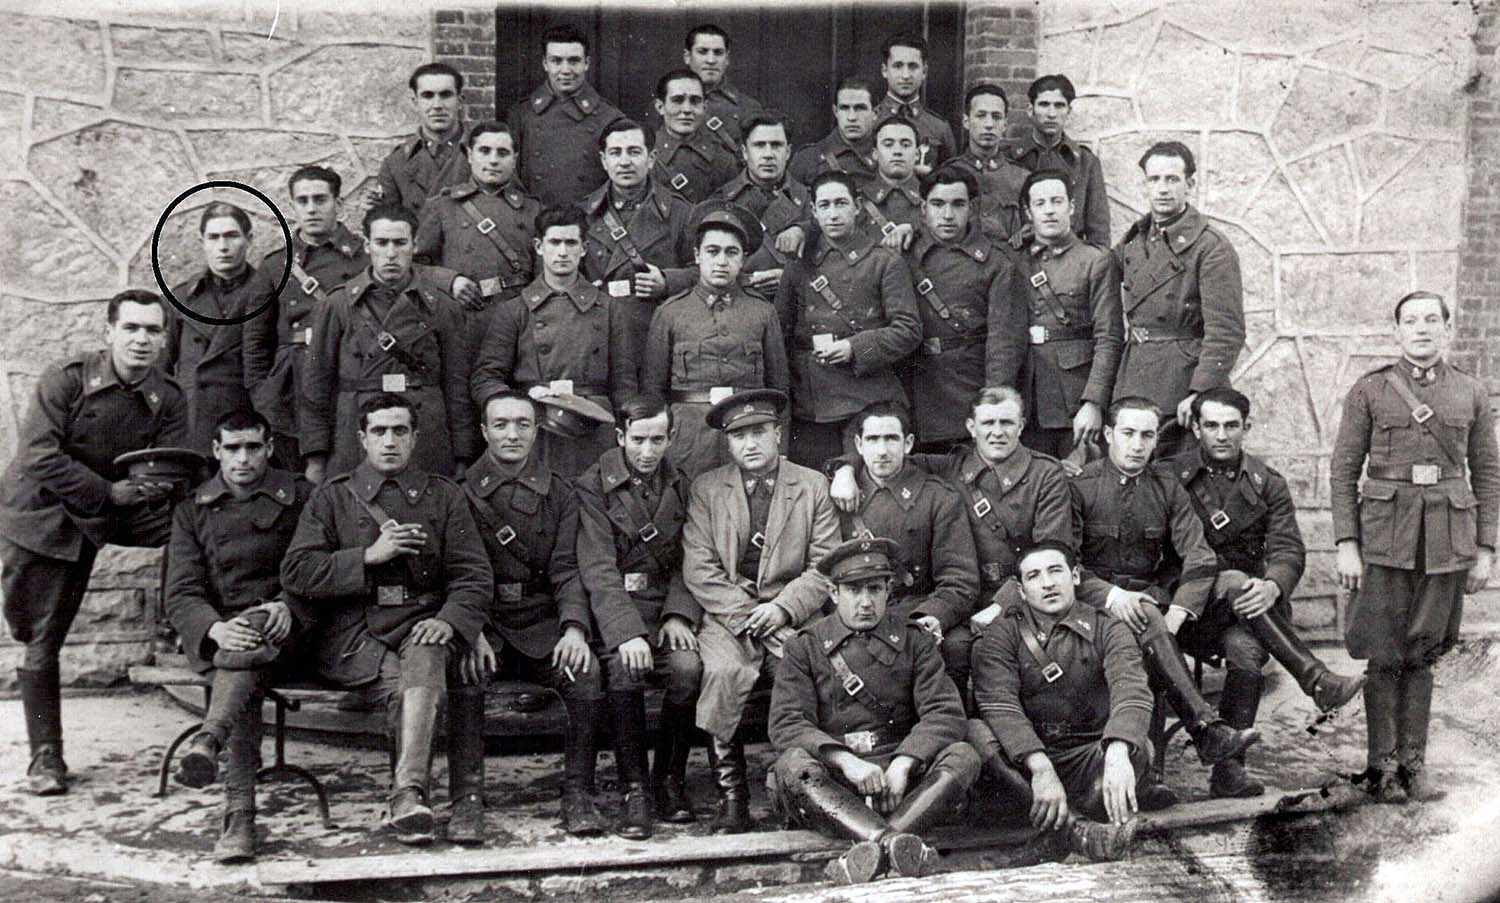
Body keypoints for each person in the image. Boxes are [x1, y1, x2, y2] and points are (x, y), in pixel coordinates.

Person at [0, 290, 192, 796]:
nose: (141, 340)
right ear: (109, 332)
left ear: (164, 339)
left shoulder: (167, 396)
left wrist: (162, 490)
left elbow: (168, 461)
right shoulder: (67, 380)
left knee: (198, 525)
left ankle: (192, 627)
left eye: (152, 331)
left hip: (113, 508)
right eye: (131, 328)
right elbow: (39, 455)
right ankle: (46, 756)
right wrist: (109, 491)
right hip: (44, 516)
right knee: (40, 635)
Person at [281, 394, 490, 844]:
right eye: (379, 431)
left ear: (415, 438)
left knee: (427, 649)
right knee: (403, 684)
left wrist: (453, 622)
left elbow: (473, 575)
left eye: (400, 431)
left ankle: (408, 795)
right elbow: (297, 572)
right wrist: (369, 557)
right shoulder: (333, 496)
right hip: (355, 635)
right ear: (362, 439)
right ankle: (408, 798)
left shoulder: (444, 496)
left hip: (421, 623)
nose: (389, 441)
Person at [1330, 291, 1499, 802]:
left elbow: (1488, 472)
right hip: (1383, 538)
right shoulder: (1371, 390)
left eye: (1431, 320)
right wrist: (1346, 543)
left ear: (1447, 329)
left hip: (1447, 540)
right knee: (1384, 654)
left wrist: (1486, 549)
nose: (1421, 329)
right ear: (1396, 331)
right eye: (1410, 320)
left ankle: (1413, 768)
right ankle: (1381, 767)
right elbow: (1342, 470)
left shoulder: (1470, 392)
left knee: (1423, 654)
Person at [1166, 387, 1364, 798]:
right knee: (1235, 580)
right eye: (1212, 425)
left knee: (1246, 650)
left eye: (1231, 426)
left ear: (1247, 428)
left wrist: (1273, 584)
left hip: (1248, 612)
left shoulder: (1267, 483)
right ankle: (1315, 679)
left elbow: (1288, 548)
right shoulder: (1172, 477)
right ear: (1197, 429)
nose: (1222, 435)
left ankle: (1229, 770)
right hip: (1188, 611)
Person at [1065, 396, 1261, 805]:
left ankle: (1154, 774)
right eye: (1128, 434)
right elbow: (1066, 564)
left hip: (1151, 608)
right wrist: (1111, 595)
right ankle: (1201, 734)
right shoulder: (1080, 486)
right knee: (1145, 625)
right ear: (1107, 435)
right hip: (1091, 606)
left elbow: (1200, 554)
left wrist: (1179, 612)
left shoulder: (1165, 486)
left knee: (1149, 623)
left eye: (1147, 435)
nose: (1137, 445)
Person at [769, 537, 978, 884]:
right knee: (792, 764)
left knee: (963, 754)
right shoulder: (804, 647)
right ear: (833, 593)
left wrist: (904, 762)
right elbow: (788, 723)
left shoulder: (915, 640)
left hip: (902, 781)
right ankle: (892, 843)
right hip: (836, 780)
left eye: (874, 589)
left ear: (888, 591)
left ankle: (867, 853)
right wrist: (847, 762)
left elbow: (944, 711)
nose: (865, 602)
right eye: (853, 590)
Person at [676, 389, 840, 833]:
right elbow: (700, 567)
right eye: (739, 436)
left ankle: (805, 790)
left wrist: (783, 609)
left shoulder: (811, 485)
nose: (750, 444)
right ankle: (733, 797)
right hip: (731, 618)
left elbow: (826, 565)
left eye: (759, 432)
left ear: (778, 435)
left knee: (806, 672)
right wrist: (752, 615)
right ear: (728, 444)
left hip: (794, 616)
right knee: (723, 673)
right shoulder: (708, 489)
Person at [163, 409, 314, 862]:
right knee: (241, 655)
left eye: (253, 447)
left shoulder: (302, 497)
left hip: (293, 632)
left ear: (269, 448)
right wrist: (214, 627)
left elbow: (322, 564)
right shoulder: (194, 509)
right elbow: (182, 591)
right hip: (223, 635)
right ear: (216, 452)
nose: (243, 459)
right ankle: (237, 813)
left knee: (247, 647)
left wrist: (290, 604)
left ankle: (229, 792)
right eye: (232, 448)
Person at [459, 391, 611, 836]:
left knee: (586, 674)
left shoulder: (560, 493)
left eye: (523, 424)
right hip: (487, 627)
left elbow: (566, 570)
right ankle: (466, 800)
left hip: (543, 625)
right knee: (463, 672)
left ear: (536, 430)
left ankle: (578, 795)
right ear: (485, 431)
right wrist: (471, 631)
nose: (512, 434)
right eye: (501, 424)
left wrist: (575, 629)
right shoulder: (460, 493)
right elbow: (459, 574)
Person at [968, 540, 1145, 863]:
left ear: (1075, 576)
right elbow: (999, 704)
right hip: (1026, 765)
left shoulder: (1108, 627)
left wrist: (1118, 749)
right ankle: (1077, 831)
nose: (1047, 583)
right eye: (1034, 576)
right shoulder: (1003, 634)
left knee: (1138, 748)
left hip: (1087, 754)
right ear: (1021, 592)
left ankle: (1056, 836)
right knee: (975, 733)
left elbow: (1131, 688)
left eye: (1055, 571)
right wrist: (1040, 767)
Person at [575, 396, 703, 834]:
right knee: (624, 671)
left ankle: (669, 778)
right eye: (638, 440)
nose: (647, 451)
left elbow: (693, 558)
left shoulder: (684, 485)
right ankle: (636, 789)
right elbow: (597, 566)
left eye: (657, 440)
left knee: (687, 668)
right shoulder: (593, 485)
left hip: (664, 610)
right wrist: (625, 632)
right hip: (617, 614)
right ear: (620, 436)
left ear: (670, 438)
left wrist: (679, 616)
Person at [830, 386, 1073, 606]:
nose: (997, 432)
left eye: (1006, 423)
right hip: (970, 596)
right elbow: (886, 460)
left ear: (1021, 426)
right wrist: (845, 469)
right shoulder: (951, 466)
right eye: (988, 423)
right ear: (971, 427)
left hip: (1025, 594)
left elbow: (1051, 553)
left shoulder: (1045, 474)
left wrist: (1002, 606)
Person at [300, 202, 476, 482]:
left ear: (415, 245)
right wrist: (316, 456)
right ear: (367, 245)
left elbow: (457, 386)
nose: (391, 254)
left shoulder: (442, 307)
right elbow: (315, 384)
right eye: (382, 243)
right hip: (356, 431)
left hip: (425, 432)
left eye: (400, 243)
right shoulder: (338, 305)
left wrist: (462, 455)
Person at [470, 205, 636, 480]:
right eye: (554, 242)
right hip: (538, 426)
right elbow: (485, 378)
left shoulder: (608, 309)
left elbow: (624, 383)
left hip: (593, 427)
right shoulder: (515, 310)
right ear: (538, 246)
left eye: (571, 243)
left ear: (583, 248)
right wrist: (521, 406)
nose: (562, 252)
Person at [832, 402, 981, 696]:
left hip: (916, 608)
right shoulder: (838, 493)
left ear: (909, 443)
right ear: (859, 445)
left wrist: (933, 615)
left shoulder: (938, 497)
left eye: (892, 439)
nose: (883, 450)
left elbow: (959, 577)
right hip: (855, 609)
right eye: (873, 440)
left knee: (952, 649)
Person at [775, 171, 921, 467]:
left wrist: (855, 348)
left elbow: (908, 330)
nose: (833, 213)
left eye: (841, 203)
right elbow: (780, 329)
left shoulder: (884, 262)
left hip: (868, 400)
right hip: (811, 403)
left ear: (857, 206)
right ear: (813, 211)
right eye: (824, 205)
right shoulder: (799, 265)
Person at [1112, 140, 1245, 462]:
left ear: (1190, 184)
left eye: (1172, 179)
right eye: (1154, 179)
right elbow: (1095, 270)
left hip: (1179, 386)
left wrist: (1199, 393)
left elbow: (1226, 332)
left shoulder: (1210, 247)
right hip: (1134, 375)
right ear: (1144, 184)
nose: (1162, 189)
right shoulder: (1136, 240)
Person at [642, 203, 789, 479]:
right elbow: (653, 390)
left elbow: (780, 388)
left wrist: (780, 450)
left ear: (743, 259)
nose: (721, 261)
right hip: (689, 439)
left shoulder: (763, 312)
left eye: (731, 252)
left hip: (748, 434)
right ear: (697, 256)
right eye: (713, 251)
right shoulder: (670, 312)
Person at [987, 169, 1122, 462]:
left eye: (1057, 201)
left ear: (1071, 207)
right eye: (1040, 203)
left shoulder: (1095, 261)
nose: (1049, 210)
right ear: (1028, 211)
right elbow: (1003, 335)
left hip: (1074, 401)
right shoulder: (1015, 259)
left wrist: (1094, 402)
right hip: (1026, 399)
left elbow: (1108, 337)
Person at [243, 166, 367, 473]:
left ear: (339, 204)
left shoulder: (365, 257)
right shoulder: (276, 266)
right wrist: (262, 394)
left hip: (348, 377)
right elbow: (255, 339)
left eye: (320, 199)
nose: (311, 208)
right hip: (291, 388)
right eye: (303, 201)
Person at [905, 166, 1022, 450]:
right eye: (937, 204)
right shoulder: (904, 255)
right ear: (923, 209)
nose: (947, 215)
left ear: (972, 208)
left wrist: (993, 406)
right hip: (914, 389)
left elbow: (1004, 341)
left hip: (967, 388)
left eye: (958, 204)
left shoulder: (996, 264)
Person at [415, 120, 541, 362]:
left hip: (517, 325)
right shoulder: (443, 207)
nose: (493, 160)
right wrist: (450, 281)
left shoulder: (532, 210)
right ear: (470, 156)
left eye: (502, 153)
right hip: (462, 320)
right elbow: (414, 266)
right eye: (485, 151)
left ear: (514, 159)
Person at [581, 118, 696, 375]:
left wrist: (667, 281)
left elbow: (704, 272)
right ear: (603, 160)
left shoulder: (681, 213)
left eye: (634, 152)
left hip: (657, 335)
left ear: (652, 157)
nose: (624, 162)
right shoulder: (584, 214)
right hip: (598, 336)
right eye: (615, 153)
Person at [165, 201, 257, 455]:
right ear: (202, 241)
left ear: (249, 240)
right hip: (194, 424)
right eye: (213, 237)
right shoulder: (181, 298)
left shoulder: (269, 295)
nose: (223, 247)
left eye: (231, 236)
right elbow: (160, 370)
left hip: (245, 427)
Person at [509, 25, 623, 208]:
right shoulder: (521, 114)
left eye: (573, 61)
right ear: (545, 63)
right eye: (556, 61)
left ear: (586, 63)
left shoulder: (609, 117)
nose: (565, 70)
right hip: (535, 221)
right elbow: (510, 176)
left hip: (588, 223)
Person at [709, 112, 812, 298]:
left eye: (776, 145)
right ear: (744, 152)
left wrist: (789, 279)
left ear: (788, 152)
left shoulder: (809, 200)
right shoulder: (722, 201)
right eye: (759, 145)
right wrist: (747, 282)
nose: (768, 154)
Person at [1002, 74, 1108, 247]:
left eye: (1059, 106)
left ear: (1068, 111)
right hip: (1020, 258)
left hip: (1070, 261)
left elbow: (1099, 232)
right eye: (1044, 105)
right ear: (1031, 110)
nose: (1051, 114)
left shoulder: (1085, 163)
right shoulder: (1009, 158)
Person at [378, 62, 471, 216]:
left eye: (446, 95)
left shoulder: (485, 153)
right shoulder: (396, 163)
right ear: (415, 103)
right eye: (427, 96)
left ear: (460, 101)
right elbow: (388, 224)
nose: (437, 105)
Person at [950, 83, 1029, 244]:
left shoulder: (1022, 178)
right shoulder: (949, 172)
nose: (989, 124)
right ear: (966, 121)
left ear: (1005, 125)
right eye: (981, 115)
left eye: (996, 117)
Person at [651, 69, 741, 205]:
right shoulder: (644, 155)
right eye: (677, 100)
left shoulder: (723, 159)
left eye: (695, 101)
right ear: (660, 107)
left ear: (704, 107)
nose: (687, 109)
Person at [873, 34, 957, 175]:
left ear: (924, 72)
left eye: (913, 67)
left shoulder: (939, 128)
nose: (905, 75)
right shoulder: (871, 121)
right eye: (898, 66)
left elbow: (950, 178)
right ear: (885, 70)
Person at [789, 77, 879, 191]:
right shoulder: (808, 159)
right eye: (844, 108)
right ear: (836, 112)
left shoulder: (888, 155)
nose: (852, 117)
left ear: (875, 113)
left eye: (860, 108)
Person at [682, 24, 764, 145]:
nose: (711, 60)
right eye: (702, 52)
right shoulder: (667, 105)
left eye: (718, 53)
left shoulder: (748, 108)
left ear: (727, 59)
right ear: (687, 57)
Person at [857, 117, 925, 253]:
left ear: (917, 154)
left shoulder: (933, 199)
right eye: (888, 144)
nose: (897, 151)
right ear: (875, 154)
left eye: (905, 145)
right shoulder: (858, 200)